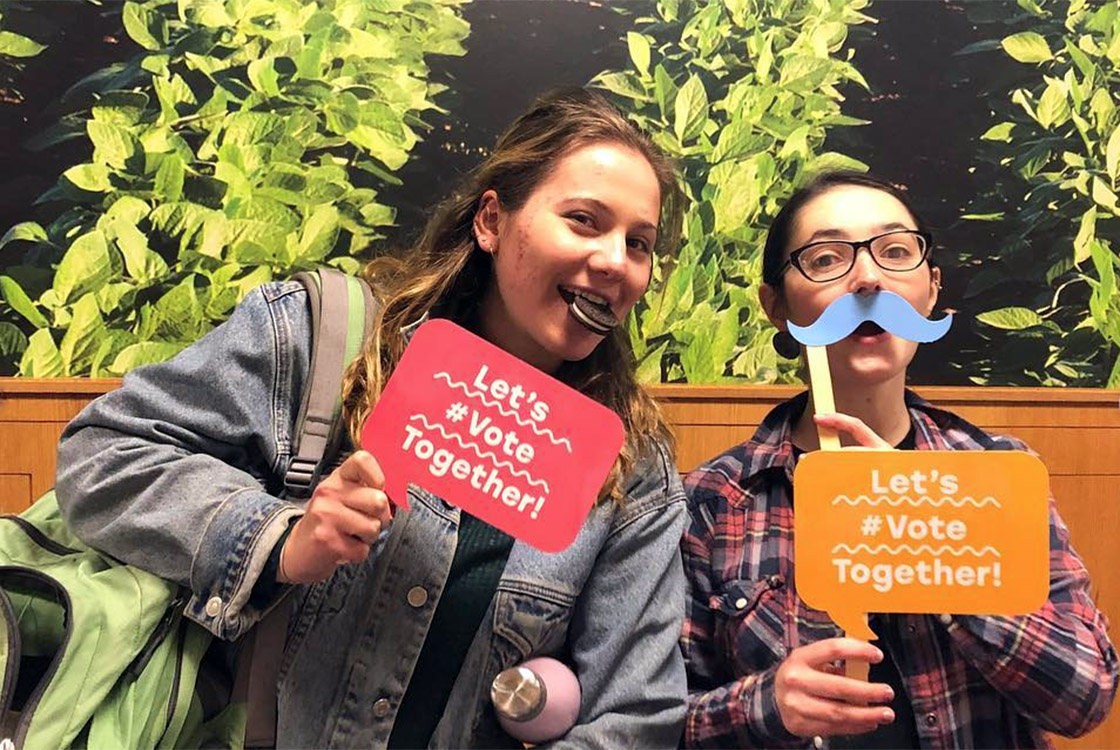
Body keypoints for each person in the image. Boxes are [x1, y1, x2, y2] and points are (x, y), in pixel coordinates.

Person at [54, 87, 689, 748]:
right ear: (492, 221)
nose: (617, 261)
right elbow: (102, 454)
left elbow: (634, 717)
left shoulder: (631, 474)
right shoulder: (318, 340)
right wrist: (277, 537)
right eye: (585, 220)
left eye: (639, 243)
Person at [679, 170, 1118, 748]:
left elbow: (1085, 696)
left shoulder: (999, 472)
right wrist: (765, 705)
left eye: (894, 252)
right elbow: (660, 719)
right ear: (776, 306)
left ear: (931, 287)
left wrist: (932, 538)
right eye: (828, 257)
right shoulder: (713, 500)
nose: (868, 278)